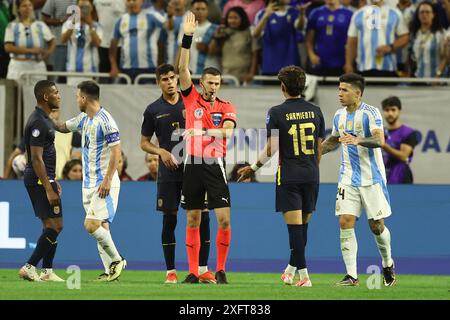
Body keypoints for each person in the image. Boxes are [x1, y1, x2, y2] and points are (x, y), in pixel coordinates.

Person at [238, 66, 325, 287]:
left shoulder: (275, 113)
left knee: (294, 229)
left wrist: (253, 168)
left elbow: (271, 148)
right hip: (312, 174)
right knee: (303, 227)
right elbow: (319, 148)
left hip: (289, 175)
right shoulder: (316, 111)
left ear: (283, 87)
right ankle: (290, 269)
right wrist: (312, 168)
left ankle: (304, 277)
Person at [321, 73, 396, 287]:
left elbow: (379, 140)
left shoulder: (371, 113)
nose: (340, 94)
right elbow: (334, 140)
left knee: (376, 226)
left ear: (358, 93)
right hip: (347, 177)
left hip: (371, 178)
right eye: (339, 89)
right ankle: (351, 276)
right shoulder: (339, 115)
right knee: (345, 221)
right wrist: (317, 152)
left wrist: (358, 140)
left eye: (344, 90)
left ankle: (387, 262)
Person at [140, 63, 213, 283]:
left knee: (203, 216)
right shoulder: (153, 110)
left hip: (196, 168)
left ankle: (202, 269)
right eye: (165, 79)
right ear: (158, 82)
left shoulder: (191, 100)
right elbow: (143, 143)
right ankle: (170, 271)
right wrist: (160, 151)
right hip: (169, 171)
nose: (170, 82)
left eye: (173, 78)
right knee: (169, 219)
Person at [179, 11, 237, 284]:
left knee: (223, 220)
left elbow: (227, 131)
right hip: (192, 163)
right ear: (201, 83)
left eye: (217, 83)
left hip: (215, 165)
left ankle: (221, 269)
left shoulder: (226, 107)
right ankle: (193, 271)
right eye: (209, 82)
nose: (213, 87)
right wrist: (187, 37)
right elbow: (182, 69)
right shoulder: (190, 98)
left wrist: (200, 130)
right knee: (192, 218)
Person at [52, 80, 126, 282]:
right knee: (102, 228)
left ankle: (118, 260)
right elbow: (63, 127)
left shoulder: (106, 121)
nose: (77, 100)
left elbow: (116, 152)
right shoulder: (84, 118)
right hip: (88, 184)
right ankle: (110, 271)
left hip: (104, 182)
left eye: (77, 97)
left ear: (84, 98)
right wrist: (44, 118)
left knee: (91, 225)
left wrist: (108, 180)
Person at [18, 80, 64, 282]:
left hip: (46, 178)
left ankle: (47, 272)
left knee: (54, 226)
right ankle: (29, 266)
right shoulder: (38, 121)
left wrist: (53, 180)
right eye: (55, 92)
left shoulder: (44, 119)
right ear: (46, 97)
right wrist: (48, 187)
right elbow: (35, 158)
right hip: (38, 180)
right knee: (54, 226)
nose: (58, 95)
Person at [345, 0, 409, 77]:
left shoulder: (395, 13)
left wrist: (390, 47)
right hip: (363, 67)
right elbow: (352, 41)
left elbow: (405, 37)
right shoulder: (358, 14)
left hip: (388, 67)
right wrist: (348, 64)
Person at [109, 0, 166, 83]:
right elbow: (113, 46)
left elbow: (168, 27)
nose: (132, 3)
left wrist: (170, 15)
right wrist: (113, 66)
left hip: (148, 68)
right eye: (129, 0)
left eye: (135, 0)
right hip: (126, 69)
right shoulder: (120, 20)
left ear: (142, 1)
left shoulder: (152, 16)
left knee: (147, 96)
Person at [4, 0, 55, 84]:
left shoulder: (40, 25)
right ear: (18, 9)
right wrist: (31, 51)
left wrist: (48, 53)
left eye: (30, 5)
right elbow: (8, 47)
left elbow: (52, 40)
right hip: (18, 66)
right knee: (17, 94)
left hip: (37, 66)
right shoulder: (11, 26)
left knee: (38, 94)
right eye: (24, 6)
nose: (28, 8)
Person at [253, 0, 304, 75]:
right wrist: (266, 16)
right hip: (270, 66)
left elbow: (300, 27)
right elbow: (255, 34)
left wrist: (301, 14)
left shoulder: (294, 12)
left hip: (291, 66)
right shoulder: (262, 13)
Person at [208, 6, 258, 83]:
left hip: (245, 76)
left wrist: (251, 73)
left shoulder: (250, 32)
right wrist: (216, 37)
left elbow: (255, 54)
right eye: (230, 18)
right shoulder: (223, 32)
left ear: (242, 18)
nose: (232, 20)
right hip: (227, 75)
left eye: (235, 18)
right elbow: (211, 52)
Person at [305, 0, 353, 76]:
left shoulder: (349, 14)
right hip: (319, 61)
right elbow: (309, 38)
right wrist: (311, 55)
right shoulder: (315, 13)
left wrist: (349, 62)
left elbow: (352, 41)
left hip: (341, 62)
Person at [61, 0, 103, 85]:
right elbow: (63, 40)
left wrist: (90, 25)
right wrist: (73, 22)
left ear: (91, 9)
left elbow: (97, 43)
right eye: (81, 7)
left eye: (86, 7)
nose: (84, 10)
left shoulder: (96, 26)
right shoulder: (68, 24)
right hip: (72, 69)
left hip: (90, 69)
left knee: (91, 97)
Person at [381, 96, 418, 184]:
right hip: (381, 177)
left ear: (399, 111)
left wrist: (383, 145)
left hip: (401, 177)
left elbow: (404, 156)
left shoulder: (408, 133)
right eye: (387, 110)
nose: (390, 113)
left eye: (393, 110)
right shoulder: (380, 132)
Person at [176, 0, 219, 74]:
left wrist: (206, 48)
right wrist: (177, 67)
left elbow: (218, 52)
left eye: (203, 9)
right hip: (190, 70)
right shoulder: (185, 26)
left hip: (209, 70)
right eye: (197, 9)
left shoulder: (215, 29)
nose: (200, 12)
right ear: (191, 10)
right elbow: (181, 48)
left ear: (207, 10)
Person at [410, 1, 447, 78]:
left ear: (433, 15)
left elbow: (445, 58)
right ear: (418, 15)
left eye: (427, 12)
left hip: (437, 80)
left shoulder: (441, 33)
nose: (424, 15)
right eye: (422, 12)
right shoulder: (415, 34)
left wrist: (438, 75)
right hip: (419, 78)